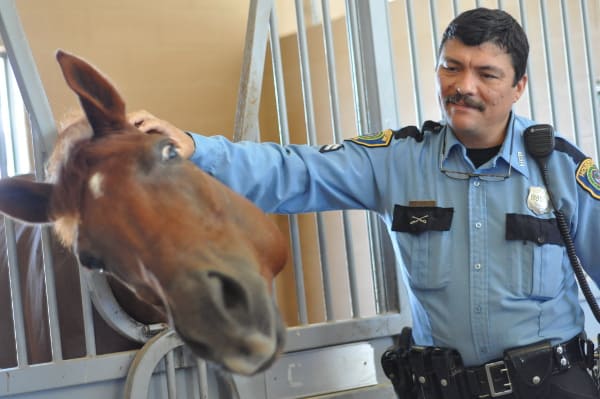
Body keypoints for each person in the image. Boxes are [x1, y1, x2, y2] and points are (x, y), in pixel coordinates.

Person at [129, 7, 600, 399]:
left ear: (518, 88)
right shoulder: (397, 161)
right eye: (451, 66)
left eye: (487, 74)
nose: (464, 86)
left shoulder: (561, 171)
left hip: (552, 387)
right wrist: (194, 147)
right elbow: (295, 169)